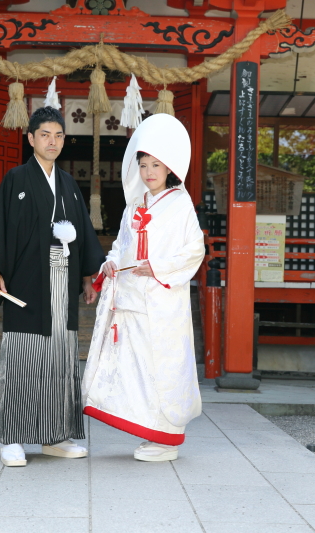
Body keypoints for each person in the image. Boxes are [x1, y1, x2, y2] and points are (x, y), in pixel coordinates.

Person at [0, 106, 105, 467]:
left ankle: (56, 437)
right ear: (31, 139)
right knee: (23, 357)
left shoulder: (68, 184)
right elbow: (0, 226)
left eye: (59, 135)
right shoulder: (17, 179)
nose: (52, 141)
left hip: (62, 283)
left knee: (61, 360)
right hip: (27, 282)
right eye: (45, 135)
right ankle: (13, 438)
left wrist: (87, 277)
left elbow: (82, 233)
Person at [81, 113, 205, 462]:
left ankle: (167, 436)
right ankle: (150, 431)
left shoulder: (181, 204)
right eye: (144, 164)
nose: (149, 171)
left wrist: (160, 267)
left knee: (164, 365)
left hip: (163, 300)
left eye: (156, 165)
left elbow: (195, 249)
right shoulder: (134, 206)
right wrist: (110, 262)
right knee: (137, 367)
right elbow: (122, 245)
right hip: (134, 299)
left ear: (169, 169)